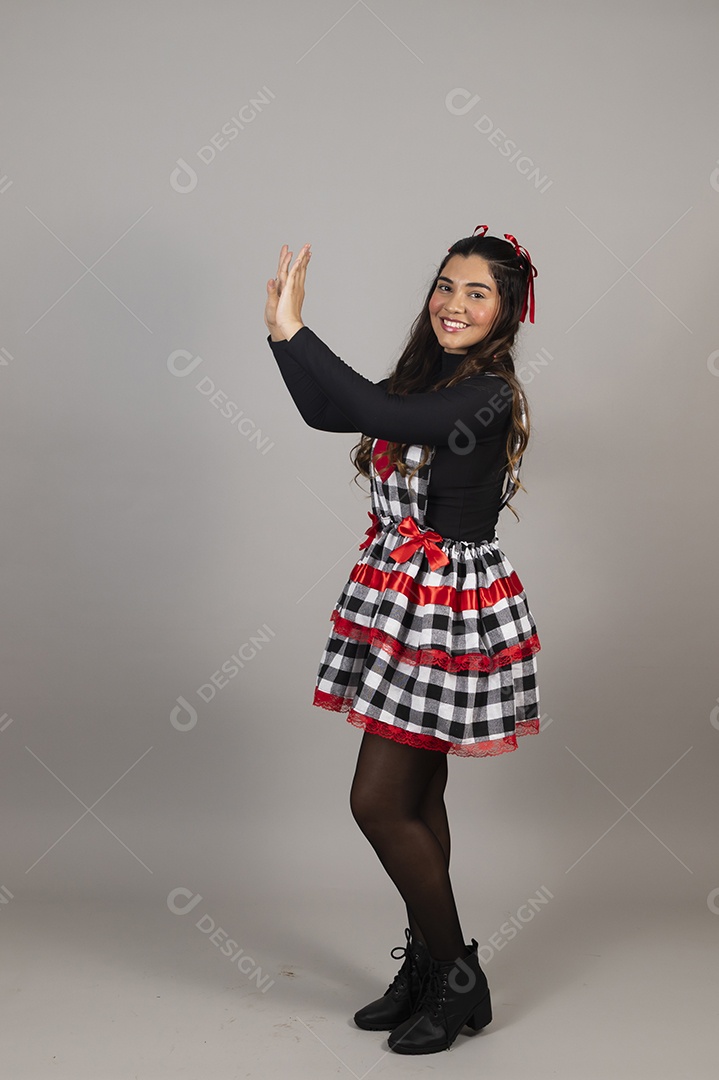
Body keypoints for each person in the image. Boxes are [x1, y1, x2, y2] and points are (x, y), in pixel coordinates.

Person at [264, 226, 542, 1055]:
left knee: (377, 802)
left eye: (477, 293)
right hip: (402, 598)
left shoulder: (487, 392)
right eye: (445, 286)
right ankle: (431, 969)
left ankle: (457, 978)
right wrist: (283, 330)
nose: (453, 304)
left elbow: (375, 412)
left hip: (448, 612)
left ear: (509, 313)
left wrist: (295, 333)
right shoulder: (437, 378)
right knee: (417, 800)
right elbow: (328, 410)